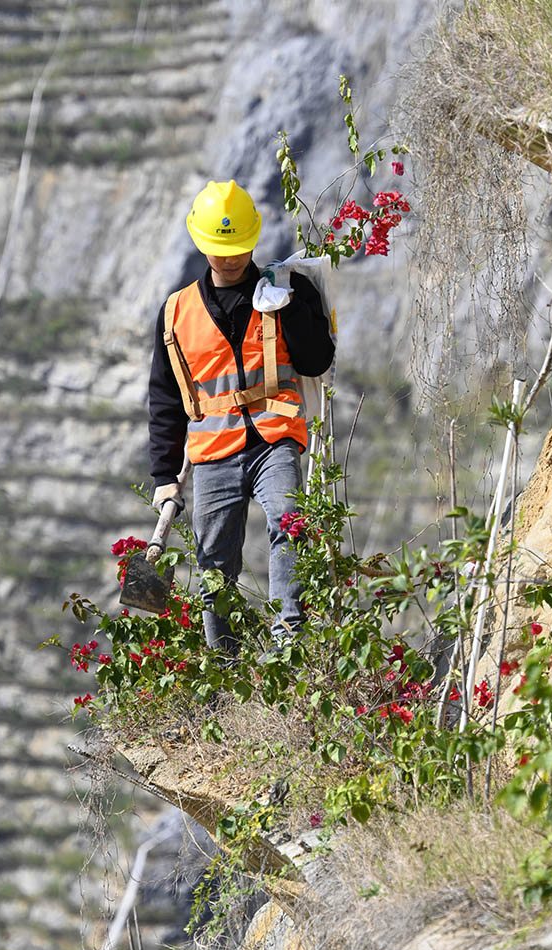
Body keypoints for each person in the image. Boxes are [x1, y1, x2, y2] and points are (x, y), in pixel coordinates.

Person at [147, 179, 335, 652]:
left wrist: (288, 310)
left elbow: (316, 362)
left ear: (252, 239)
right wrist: (164, 476)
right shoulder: (176, 313)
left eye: (236, 248)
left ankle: (287, 643)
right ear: (200, 242)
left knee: (290, 520)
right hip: (212, 452)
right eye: (218, 248)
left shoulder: (290, 289)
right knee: (215, 565)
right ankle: (224, 664)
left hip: (275, 436)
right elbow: (166, 398)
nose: (228, 258)